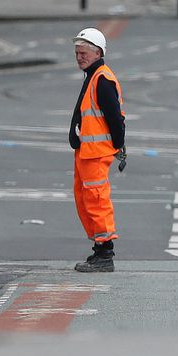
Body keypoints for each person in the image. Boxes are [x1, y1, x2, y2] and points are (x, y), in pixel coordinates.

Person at [69, 27, 126, 273]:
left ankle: (105, 252)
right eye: (77, 53)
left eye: (83, 53)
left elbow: (115, 118)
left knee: (97, 200)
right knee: (85, 199)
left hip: (96, 152)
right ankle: (99, 248)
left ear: (98, 52)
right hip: (87, 152)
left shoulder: (102, 79)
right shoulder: (92, 76)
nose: (79, 57)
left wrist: (118, 145)